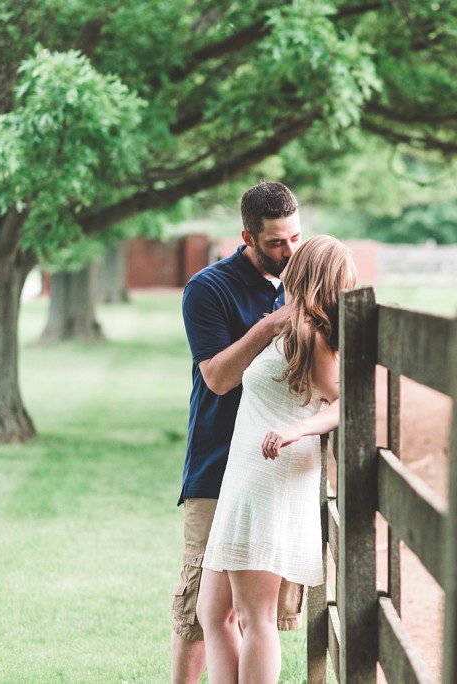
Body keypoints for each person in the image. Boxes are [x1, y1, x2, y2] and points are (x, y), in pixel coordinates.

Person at [196, 236, 356, 683]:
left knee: (256, 616)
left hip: (270, 480)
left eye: (296, 255)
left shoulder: (310, 336)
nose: (287, 257)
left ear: (306, 271)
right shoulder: (288, 326)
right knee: (212, 612)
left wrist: (296, 430)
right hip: (243, 478)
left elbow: (347, 402)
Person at [171, 181, 305, 684]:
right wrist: (270, 326)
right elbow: (218, 377)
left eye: (295, 237)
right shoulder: (208, 289)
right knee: (199, 611)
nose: (289, 251)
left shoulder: (305, 282)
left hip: (277, 472)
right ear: (247, 236)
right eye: (275, 242)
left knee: (262, 614)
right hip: (216, 465)